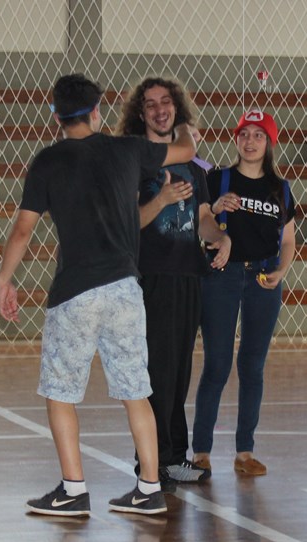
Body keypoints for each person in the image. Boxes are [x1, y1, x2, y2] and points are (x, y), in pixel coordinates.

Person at [0, 73, 196, 516]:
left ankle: (73, 490)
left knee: (61, 392)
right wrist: (183, 125)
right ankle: (149, 488)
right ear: (96, 112)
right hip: (125, 290)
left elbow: (23, 229)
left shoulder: (47, 161)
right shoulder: (127, 150)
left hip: (75, 294)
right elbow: (185, 150)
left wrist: (5, 278)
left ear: (56, 116)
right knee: (136, 392)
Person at [115, 77, 230, 488]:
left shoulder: (193, 167)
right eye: (150, 104)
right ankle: (154, 461)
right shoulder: (134, 162)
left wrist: (222, 237)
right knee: (157, 372)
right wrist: (161, 200)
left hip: (188, 276)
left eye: (165, 102)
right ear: (140, 113)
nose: (159, 109)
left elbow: (203, 218)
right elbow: (128, 223)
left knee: (179, 372)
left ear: (176, 108)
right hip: (153, 278)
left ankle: (173, 456)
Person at [191, 109, 296, 477]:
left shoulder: (281, 189)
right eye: (244, 134)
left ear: (269, 142)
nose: (250, 141)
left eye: (258, 135)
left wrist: (282, 270)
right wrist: (216, 212)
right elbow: (200, 222)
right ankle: (201, 452)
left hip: (263, 279)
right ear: (236, 139)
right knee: (217, 364)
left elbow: (288, 240)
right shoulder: (217, 179)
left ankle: (245, 452)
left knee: (252, 365)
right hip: (221, 276)